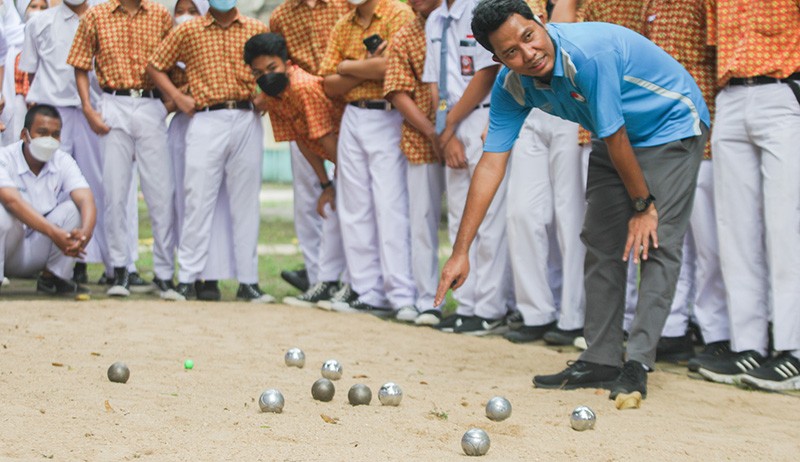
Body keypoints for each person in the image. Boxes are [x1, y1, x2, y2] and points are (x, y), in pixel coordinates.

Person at [436, 0, 710, 399]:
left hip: (671, 125)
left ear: (541, 21)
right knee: (600, 241)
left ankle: (637, 363)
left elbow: (616, 136)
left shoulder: (588, 54)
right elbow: (491, 165)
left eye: (529, 37)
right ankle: (601, 359)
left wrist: (642, 206)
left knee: (655, 241)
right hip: (612, 133)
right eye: (511, 52)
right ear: (498, 58)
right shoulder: (512, 85)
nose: (528, 54)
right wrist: (461, 252)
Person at [696, 0, 800, 391]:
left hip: (782, 91)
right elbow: (714, 44)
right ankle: (749, 345)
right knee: (735, 228)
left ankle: (793, 349)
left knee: (785, 225)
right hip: (732, 96)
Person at [147, 0, 274, 302]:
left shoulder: (256, 29)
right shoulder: (189, 30)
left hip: (246, 116)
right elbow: (155, 65)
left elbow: (277, 68)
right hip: (204, 117)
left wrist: (265, 97)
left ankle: (249, 282)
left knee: (246, 203)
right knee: (197, 198)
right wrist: (178, 97)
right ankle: (187, 279)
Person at [19, 0, 144, 290]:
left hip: (95, 113)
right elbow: (31, 71)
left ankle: (118, 265)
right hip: (52, 115)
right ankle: (60, 267)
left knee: (105, 187)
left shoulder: (106, 19)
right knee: (54, 189)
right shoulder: (39, 23)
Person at [67, 0, 178, 298]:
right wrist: (89, 109)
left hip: (151, 104)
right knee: (115, 193)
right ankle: (119, 270)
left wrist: (164, 106)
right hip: (113, 102)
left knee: (160, 192)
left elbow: (174, 64)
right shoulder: (96, 15)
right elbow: (80, 63)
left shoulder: (160, 15)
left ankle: (165, 274)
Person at [319, 0, 416, 316]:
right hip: (353, 117)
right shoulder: (342, 24)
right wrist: (367, 66)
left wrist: (347, 66)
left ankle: (401, 294)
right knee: (354, 206)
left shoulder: (397, 13)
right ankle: (367, 291)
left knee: (390, 205)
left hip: (388, 114)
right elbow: (328, 85)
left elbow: (393, 66)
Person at [501, 0, 589, 346]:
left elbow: (559, 35)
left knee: (571, 215)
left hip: (572, 103)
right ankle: (535, 311)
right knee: (521, 212)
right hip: (529, 104)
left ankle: (574, 316)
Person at [422, 0, 511, 335]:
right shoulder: (435, 19)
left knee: (489, 217)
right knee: (461, 217)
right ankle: (467, 304)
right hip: (451, 125)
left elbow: (488, 72)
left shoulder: (480, 9)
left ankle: (490, 307)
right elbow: (434, 80)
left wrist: (449, 128)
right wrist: (445, 129)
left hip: (486, 115)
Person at [244, 32, 348, 308]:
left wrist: (344, 179)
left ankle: (352, 287)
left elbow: (325, 138)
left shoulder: (302, 87)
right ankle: (326, 283)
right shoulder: (273, 94)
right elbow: (303, 141)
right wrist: (326, 186)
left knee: (352, 219)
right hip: (335, 156)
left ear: (287, 63)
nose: (266, 76)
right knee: (335, 218)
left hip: (348, 153)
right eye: (257, 72)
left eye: (272, 68)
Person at [269, 0, 349, 295]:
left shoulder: (344, 6)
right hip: (300, 108)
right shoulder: (280, 16)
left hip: (344, 107)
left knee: (352, 195)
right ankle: (318, 277)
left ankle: (349, 278)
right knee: (308, 197)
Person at [162, 0, 236, 301]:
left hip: (212, 125)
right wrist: (180, 98)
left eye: (193, 11)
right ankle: (186, 273)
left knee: (214, 202)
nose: (185, 17)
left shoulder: (216, 43)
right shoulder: (171, 43)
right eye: (180, 11)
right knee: (183, 199)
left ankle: (211, 275)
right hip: (181, 127)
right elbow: (155, 81)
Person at [383, 0, 444, 325]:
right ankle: (428, 300)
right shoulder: (405, 34)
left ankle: (483, 305)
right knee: (421, 221)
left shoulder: (470, 22)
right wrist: (434, 133)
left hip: (470, 132)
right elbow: (396, 91)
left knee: (477, 219)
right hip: (422, 138)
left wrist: (451, 131)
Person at [0, 104, 95, 295]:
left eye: (55, 134)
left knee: (73, 211)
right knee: (3, 215)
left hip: (39, 248)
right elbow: (11, 201)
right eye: (42, 133)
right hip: (8, 247)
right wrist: (54, 233)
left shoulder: (63, 160)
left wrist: (84, 235)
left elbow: (86, 199)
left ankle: (52, 278)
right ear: (24, 135)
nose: (49, 140)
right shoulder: (4, 157)